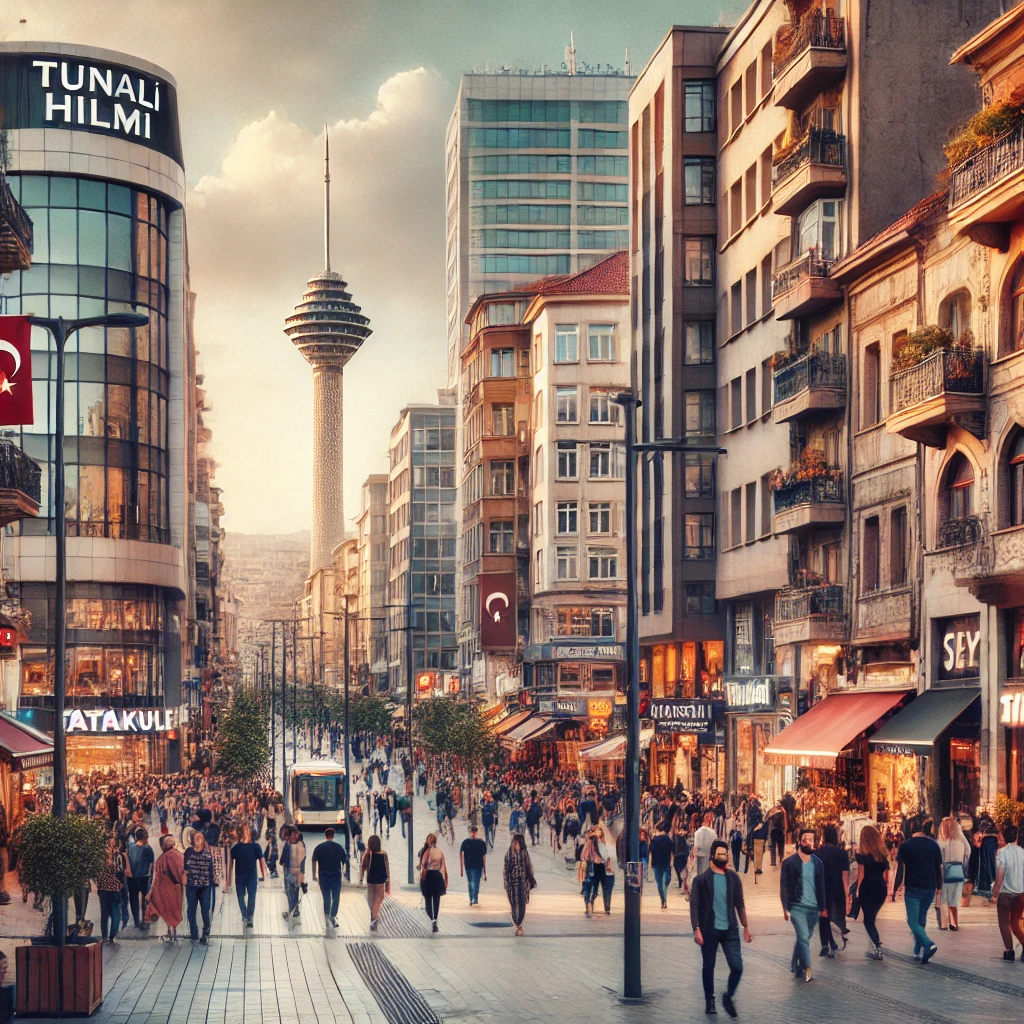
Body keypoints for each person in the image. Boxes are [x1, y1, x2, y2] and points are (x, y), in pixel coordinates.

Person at [690, 838, 750, 1017]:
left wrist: (745, 926)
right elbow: (694, 905)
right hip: (709, 929)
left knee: (737, 967)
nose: (723, 857)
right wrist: (696, 928)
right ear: (713, 856)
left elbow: (740, 903)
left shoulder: (734, 878)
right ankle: (710, 1000)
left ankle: (728, 995)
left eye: (726, 854)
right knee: (709, 966)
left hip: (730, 929)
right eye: (720, 854)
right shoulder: (701, 881)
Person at [893, 818, 943, 963]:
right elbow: (937, 868)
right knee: (921, 918)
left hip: (913, 886)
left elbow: (900, 870)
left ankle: (928, 944)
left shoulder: (906, 846)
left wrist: (895, 889)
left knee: (912, 921)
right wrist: (938, 887)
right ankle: (917, 950)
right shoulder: (934, 845)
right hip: (930, 887)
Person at [780, 828, 825, 982]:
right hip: (796, 906)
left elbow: (821, 887)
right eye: (805, 839)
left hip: (813, 908)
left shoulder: (818, 864)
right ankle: (807, 969)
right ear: (800, 841)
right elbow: (784, 887)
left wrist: (823, 908)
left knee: (803, 938)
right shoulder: (789, 863)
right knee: (804, 938)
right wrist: (785, 908)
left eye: (811, 839)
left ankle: (795, 964)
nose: (808, 842)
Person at [856, 824, 890, 961]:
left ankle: (877, 947)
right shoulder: (882, 855)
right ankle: (873, 945)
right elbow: (886, 876)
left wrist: (857, 890)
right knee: (872, 918)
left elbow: (861, 875)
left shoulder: (861, 854)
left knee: (867, 920)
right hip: (880, 888)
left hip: (867, 888)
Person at [815, 824, 850, 957]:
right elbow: (845, 876)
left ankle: (825, 944)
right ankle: (834, 941)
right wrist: (847, 894)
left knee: (823, 916)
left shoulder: (817, 853)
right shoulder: (842, 854)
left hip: (823, 889)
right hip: (837, 889)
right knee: (835, 916)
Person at [992, 823, 1024, 961]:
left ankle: (1009, 950)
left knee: (1004, 923)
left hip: (1005, 893)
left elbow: (1001, 872)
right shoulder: (1023, 852)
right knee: (1015, 922)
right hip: (1020, 894)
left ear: (1004, 838)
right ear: (1017, 837)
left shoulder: (1002, 852)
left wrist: (995, 892)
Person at [311, 827, 349, 931]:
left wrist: (314, 875)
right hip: (336, 876)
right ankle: (332, 916)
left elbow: (314, 860)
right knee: (336, 897)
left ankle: (327, 915)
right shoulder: (339, 847)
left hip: (323, 876)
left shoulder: (319, 847)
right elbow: (345, 861)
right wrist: (344, 872)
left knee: (326, 897)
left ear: (325, 835)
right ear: (333, 835)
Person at [229, 824, 265, 929]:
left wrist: (263, 875)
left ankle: (249, 917)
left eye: (247, 831)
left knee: (251, 896)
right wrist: (228, 879)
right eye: (245, 831)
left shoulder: (255, 847)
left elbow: (261, 861)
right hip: (239, 876)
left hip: (251, 876)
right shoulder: (236, 847)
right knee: (240, 896)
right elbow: (230, 863)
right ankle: (244, 915)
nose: (246, 833)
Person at [149, 834, 185, 943]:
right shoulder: (180, 856)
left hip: (165, 888)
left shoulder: (161, 859)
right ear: (173, 844)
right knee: (176, 909)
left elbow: (157, 876)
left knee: (168, 910)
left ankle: (171, 931)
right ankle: (173, 931)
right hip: (177, 888)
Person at [937, 815, 970, 932]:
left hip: (945, 871)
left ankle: (944, 924)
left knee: (944, 898)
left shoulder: (942, 842)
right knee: (954, 899)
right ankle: (955, 922)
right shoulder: (961, 841)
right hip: (958, 871)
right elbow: (968, 853)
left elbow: (939, 859)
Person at [183, 830, 214, 945]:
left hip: (197, 886)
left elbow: (185, 867)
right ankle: (201, 934)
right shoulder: (204, 853)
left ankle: (198, 934)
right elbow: (211, 871)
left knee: (195, 910)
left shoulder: (191, 852)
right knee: (201, 910)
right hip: (200, 886)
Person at [503, 833, 535, 936]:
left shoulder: (524, 853)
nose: (515, 844)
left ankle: (520, 924)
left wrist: (530, 880)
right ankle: (517, 923)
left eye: (517, 842)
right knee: (514, 904)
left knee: (522, 904)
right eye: (514, 842)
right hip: (512, 884)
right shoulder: (509, 854)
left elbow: (529, 866)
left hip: (523, 883)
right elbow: (505, 869)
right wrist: (506, 883)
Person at [97, 835, 126, 944]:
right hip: (115, 888)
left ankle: (104, 936)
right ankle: (112, 936)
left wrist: (98, 884)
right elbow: (122, 871)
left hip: (103, 889)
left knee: (104, 914)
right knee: (116, 914)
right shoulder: (119, 856)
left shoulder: (100, 857)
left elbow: (97, 873)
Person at [360, 834, 390, 931]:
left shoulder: (368, 854)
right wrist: (388, 881)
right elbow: (387, 868)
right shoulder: (384, 854)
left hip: (370, 880)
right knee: (378, 900)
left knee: (371, 900)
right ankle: (374, 918)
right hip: (380, 881)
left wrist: (361, 880)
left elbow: (363, 867)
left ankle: (373, 918)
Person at [419, 833, 448, 933]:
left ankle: (431, 919)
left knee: (428, 899)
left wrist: (421, 878)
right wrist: (444, 880)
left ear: (428, 841)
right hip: (437, 876)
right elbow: (443, 866)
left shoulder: (426, 851)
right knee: (436, 899)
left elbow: (423, 865)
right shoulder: (440, 852)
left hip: (428, 877)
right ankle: (435, 919)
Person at [126, 826, 154, 931]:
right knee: (146, 899)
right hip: (144, 877)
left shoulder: (131, 847)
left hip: (132, 878)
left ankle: (136, 921)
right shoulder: (147, 849)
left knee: (133, 899)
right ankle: (145, 920)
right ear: (145, 838)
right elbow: (152, 863)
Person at [280, 826, 307, 922]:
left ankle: (293, 911)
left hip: (297, 872)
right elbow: (283, 859)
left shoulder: (300, 845)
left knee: (295, 892)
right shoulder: (287, 844)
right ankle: (293, 910)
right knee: (289, 892)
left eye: (290, 836)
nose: (289, 838)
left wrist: (302, 877)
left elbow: (302, 863)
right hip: (288, 870)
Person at [460, 825, 488, 906]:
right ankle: (473, 898)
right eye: (472, 832)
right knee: (473, 882)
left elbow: (484, 856)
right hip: (472, 865)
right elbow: (461, 854)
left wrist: (485, 872)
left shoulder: (478, 842)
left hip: (475, 865)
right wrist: (461, 869)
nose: (473, 833)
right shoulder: (478, 842)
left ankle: (473, 898)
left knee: (473, 882)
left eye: (473, 832)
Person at [650, 823, 674, 910]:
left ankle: (662, 901)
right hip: (666, 863)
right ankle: (664, 901)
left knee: (659, 883)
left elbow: (651, 851)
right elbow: (673, 851)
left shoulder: (654, 840)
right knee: (665, 883)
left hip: (656, 863)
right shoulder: (669, 840)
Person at [694, 813, 718, 878]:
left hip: (700, 855)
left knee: (700, 874)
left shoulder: (697, 832)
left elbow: (696, 845)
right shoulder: (713, 833)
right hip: (709, 856)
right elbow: (715, 845)